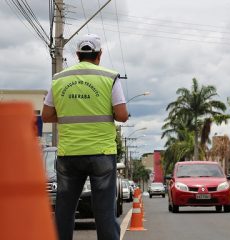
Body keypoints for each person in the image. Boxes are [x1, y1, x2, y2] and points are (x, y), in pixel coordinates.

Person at [42, 33, 128, 240]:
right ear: (99, 54)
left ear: (77, 54)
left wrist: (67, 116)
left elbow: (46, 116)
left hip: (69, 154)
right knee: (104, 213)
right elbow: (122, 115)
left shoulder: (60, 78)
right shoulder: (109, 77)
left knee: (64, 211)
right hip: (101, 153)